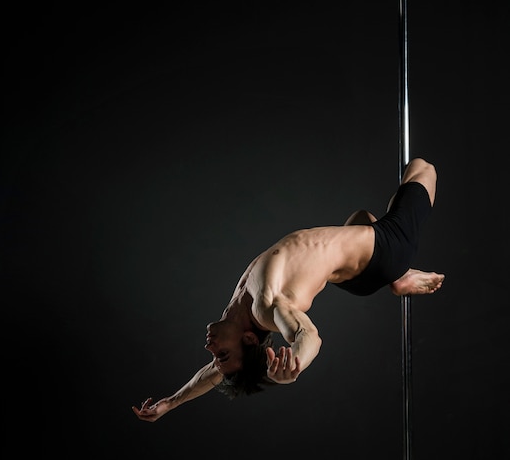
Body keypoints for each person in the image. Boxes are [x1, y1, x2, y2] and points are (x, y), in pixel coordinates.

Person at [132, 157, 445, 422]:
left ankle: (392, 276)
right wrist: (295, 364)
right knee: (423, 167)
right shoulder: (270, 308)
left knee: (360, 219)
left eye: (215, 357)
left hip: (354, 274)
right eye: (222, 353)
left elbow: (213, 374)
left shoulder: (239, 308)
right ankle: (398, 276)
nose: (209, 350)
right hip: (388, 250)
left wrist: (171, 402)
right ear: (250, 339)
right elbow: (309, 337)